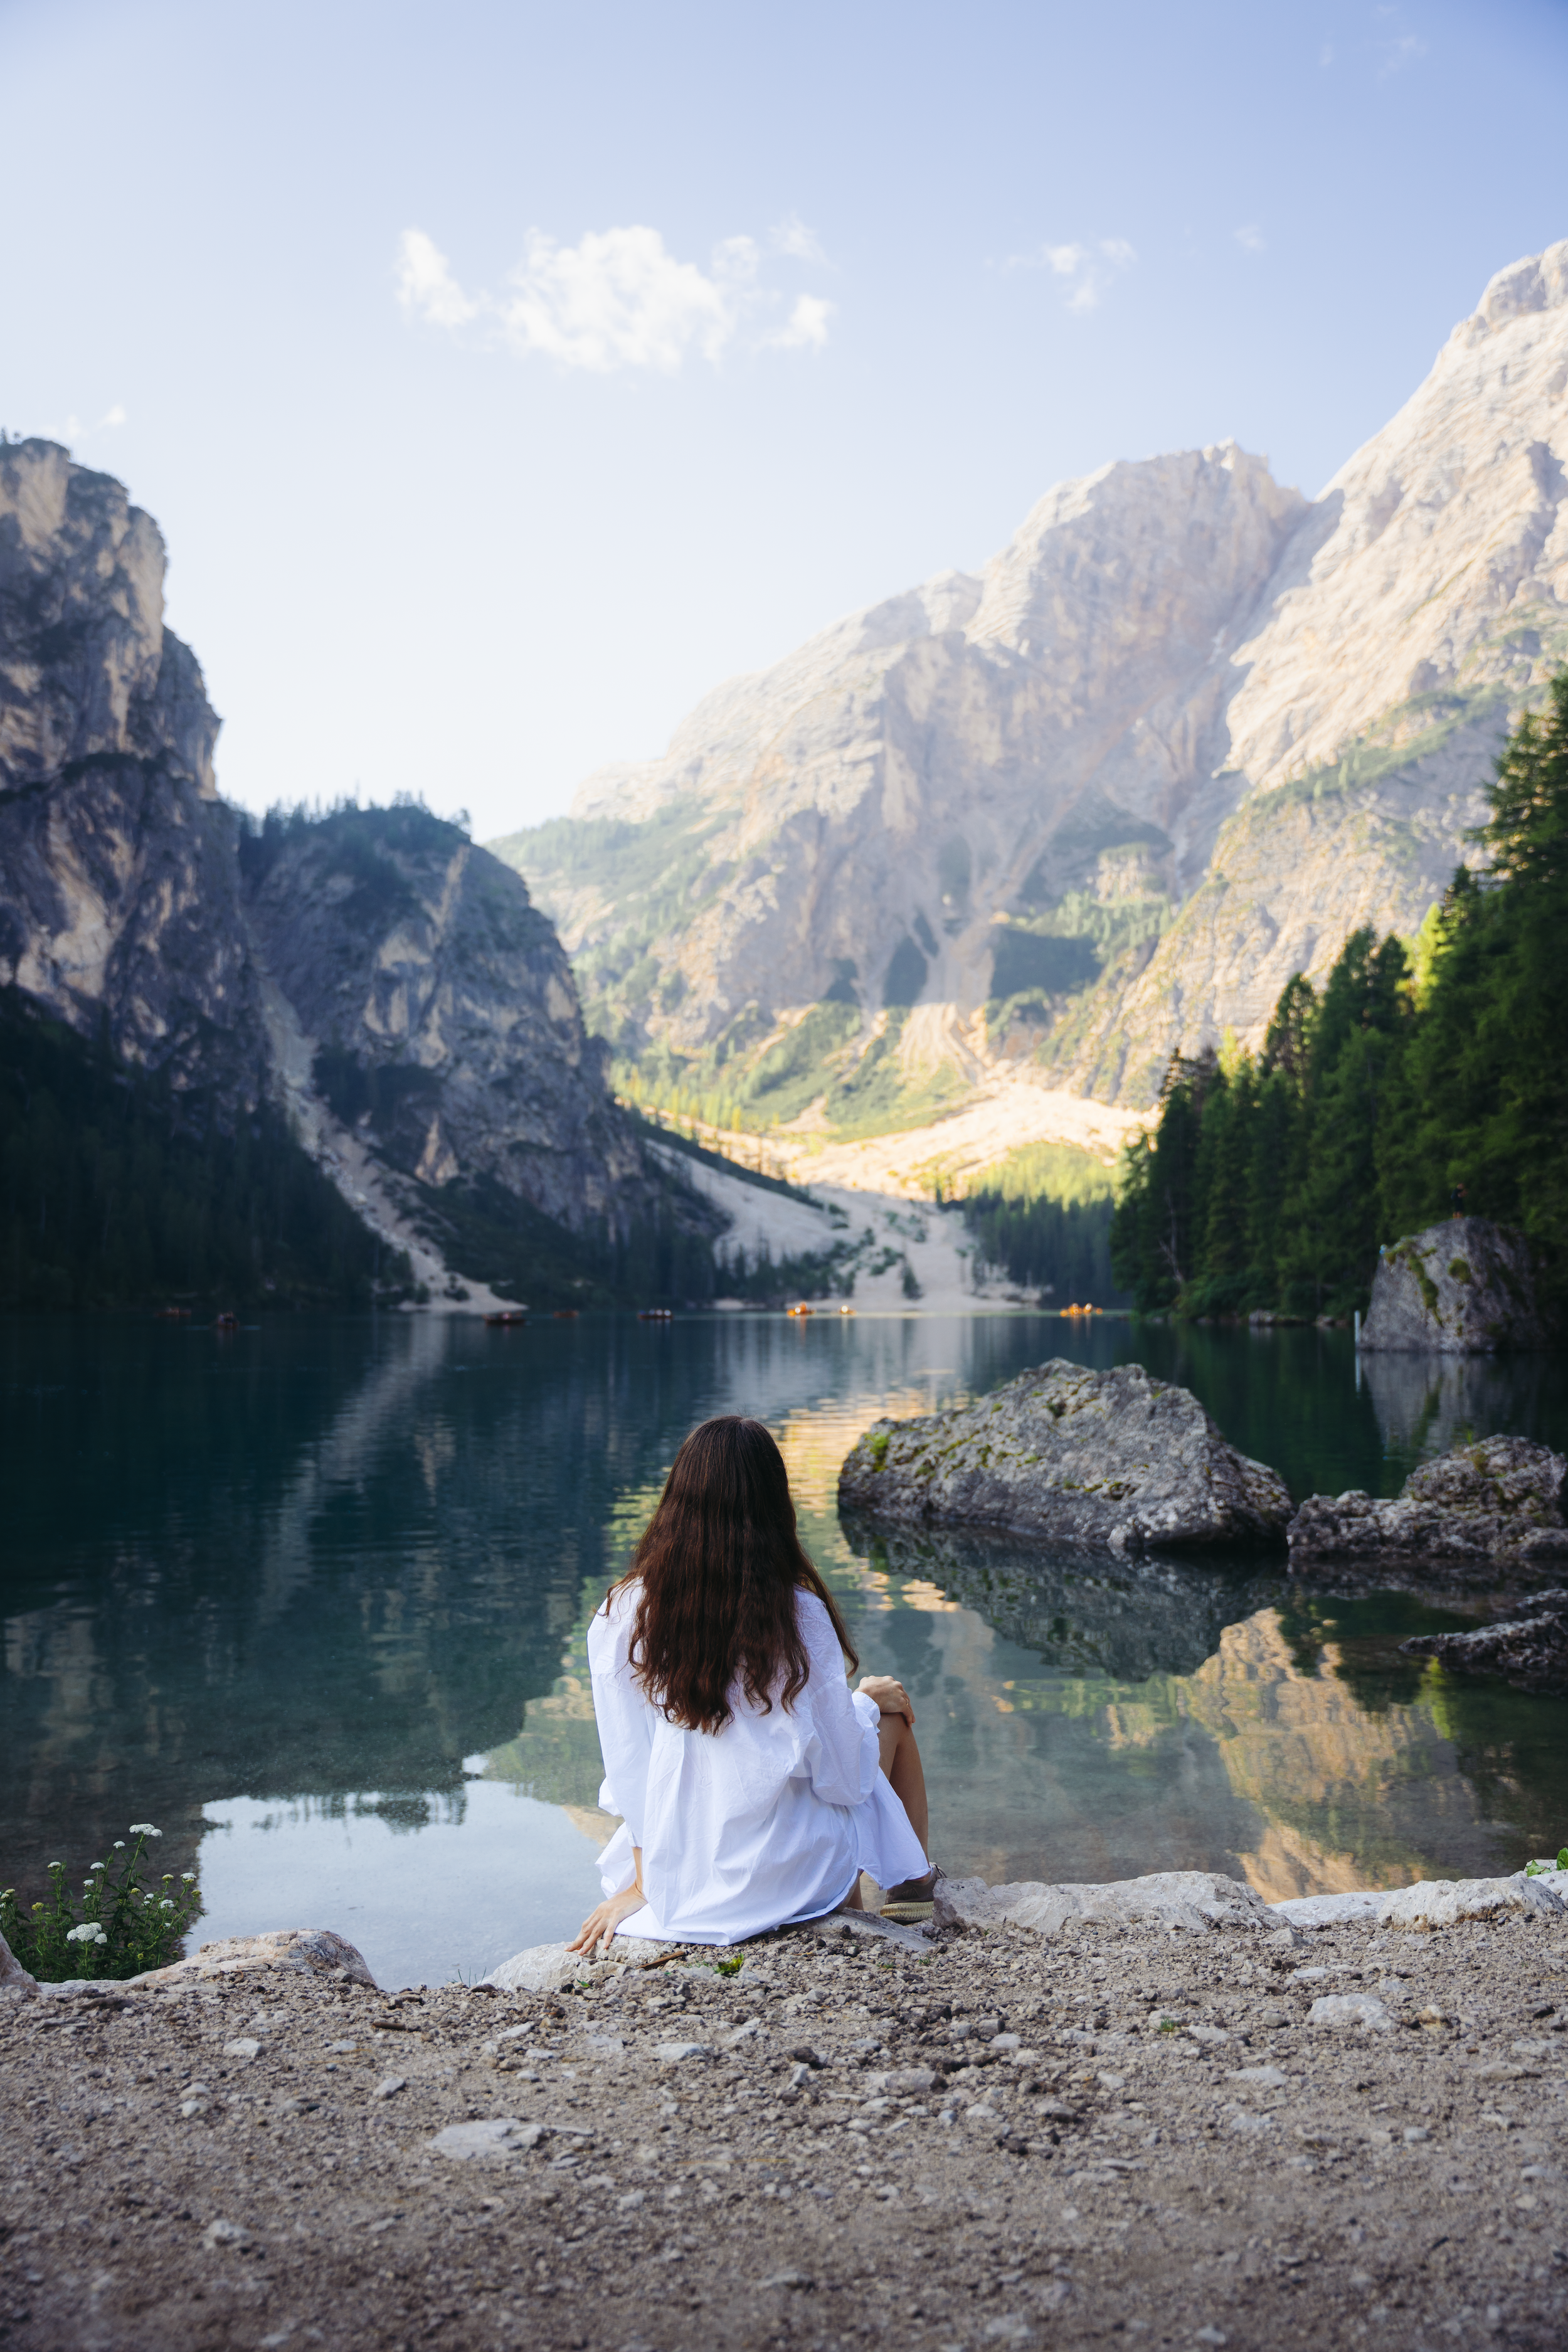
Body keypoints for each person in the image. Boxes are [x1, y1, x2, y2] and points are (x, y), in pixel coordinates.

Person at [567, 1416, 935, 1957]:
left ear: (676, 1500)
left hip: (686, 1878)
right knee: (890, 1715)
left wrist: (645, 1886)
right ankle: (913, 1887)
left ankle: (870, 1897)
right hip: (789, 1878)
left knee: (846, 1739)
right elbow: (844, 1780)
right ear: (774, 1504)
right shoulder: (799, 1613)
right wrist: (863, 1704)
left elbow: (630, 1765)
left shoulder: (623, 1612)